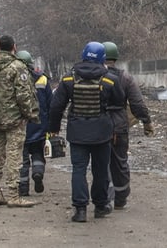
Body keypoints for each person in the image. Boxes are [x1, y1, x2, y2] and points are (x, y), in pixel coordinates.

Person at [49, 41, 122, 223]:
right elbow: (119, 103)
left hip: (77, 133)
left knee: (79, 170)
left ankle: (80, 210)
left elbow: (56, 106)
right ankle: (100, 206)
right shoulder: (110, 79)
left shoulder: (68, 79)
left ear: (83, 55)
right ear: (103, 58)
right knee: (100, 171)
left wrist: (53, 127)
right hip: (102, 134)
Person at [0, 35, 39, 208]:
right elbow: (23, 95)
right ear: (14, 46)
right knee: (14, 156)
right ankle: (13, 194)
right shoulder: (18, 66)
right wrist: (29, 114)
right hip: (14, 119)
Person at [102, 41, 154, 210]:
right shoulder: (125, 78)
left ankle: (104, 197)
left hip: (98, 126)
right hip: (119, 126)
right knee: (120, 162)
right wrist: (146, 122)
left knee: (101, 162)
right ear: (115, 57)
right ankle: (120, 198)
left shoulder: (94, 76)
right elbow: (137, 104)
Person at [15, 51, 50, 197]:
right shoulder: (42, 79)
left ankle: (23, 188)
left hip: (20, 125)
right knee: (38, 153)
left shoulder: (13, 79)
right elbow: (51, 103)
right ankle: (38, 173)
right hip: (39, 125)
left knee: (22, 160)